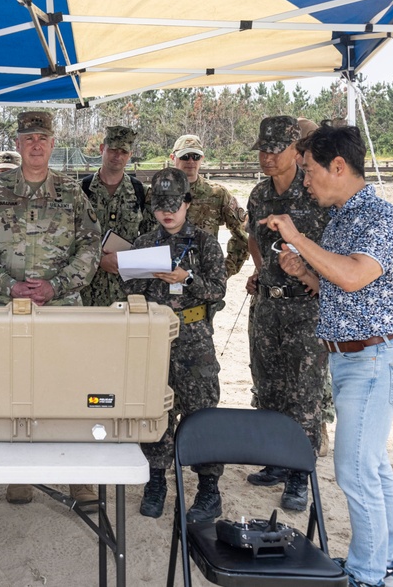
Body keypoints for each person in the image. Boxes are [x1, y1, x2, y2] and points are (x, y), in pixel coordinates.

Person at [262, 122, 393, 587]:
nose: (305, 180)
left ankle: (368, 575)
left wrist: (299, 238)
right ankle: (386, 564)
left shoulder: (383, 219)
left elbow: (352, 276)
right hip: (352, 358)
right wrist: (304, 271)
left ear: (340, 166)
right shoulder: (344, 217)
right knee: (372, 466)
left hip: (374, 359)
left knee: (353, 471)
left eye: (309, 171)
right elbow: (340, 289)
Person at [0, 110, 101, 505]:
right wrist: (9, 287)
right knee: (14, 389)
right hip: (7, 309)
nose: (36, 144)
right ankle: (20, 472)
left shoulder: (72, 193)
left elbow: (91, 246)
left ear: (52, 143)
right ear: (18, 144)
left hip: (60, 308)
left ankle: (79, 478)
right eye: (28, 139)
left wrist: (56, 285)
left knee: (69, 388)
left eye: (42, 138)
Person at [124, 168, 227, 520]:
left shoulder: (205, 243)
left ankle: (208, 488)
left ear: (187, 203)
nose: (167, 213)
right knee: (156, 410)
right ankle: (156, 481)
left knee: (202, 410)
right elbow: (130, 293)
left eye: (174, 205)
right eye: (159, 206)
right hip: (154, 341)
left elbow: (218, 289)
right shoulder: (142, 244)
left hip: (194, 339)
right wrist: (138, 279)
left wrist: (189, 278)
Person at [244, 116, 330, 511]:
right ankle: (277, 461)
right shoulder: (259, 195)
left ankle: (300, 475)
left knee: (305, 394)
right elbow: (253, 238)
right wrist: (261, 272)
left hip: (305, 307)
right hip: (269, 306)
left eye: (275, 150)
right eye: (263, 149)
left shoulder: (316, 194)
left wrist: (310, 275)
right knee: (270, 387)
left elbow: (334, 254)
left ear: (296, 151)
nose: (267, 157)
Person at [145, 134, 248, 278]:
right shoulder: (156, 192)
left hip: (203, 280)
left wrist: (226, 269)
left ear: (202, 158)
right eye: (185, 156)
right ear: (173, 157)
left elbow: (242, 233)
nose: (191, 161)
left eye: (196, 156)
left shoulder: (217, 193)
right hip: (163, 279)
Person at [79, 126, 147, 307]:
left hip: (127, 294)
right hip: (86, 292)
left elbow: (152, 241)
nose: (117, 156)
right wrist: (99, 260)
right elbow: (66, 238)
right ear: (102, 149)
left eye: (123, 151)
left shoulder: (141, 192)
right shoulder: (80, 191)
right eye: (112, 150)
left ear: (130, 154)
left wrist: (127, 260)